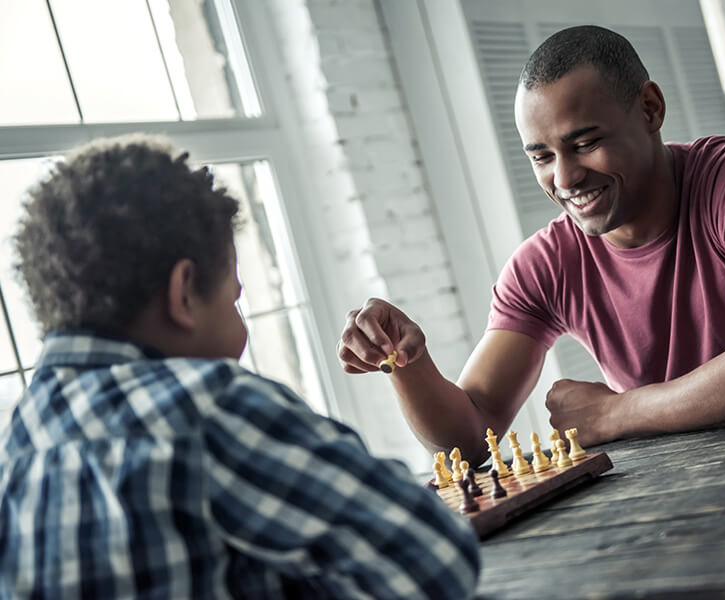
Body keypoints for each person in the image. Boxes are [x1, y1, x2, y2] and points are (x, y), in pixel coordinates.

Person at [337, 25, 725, 466]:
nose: (564, 178)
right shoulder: (544, 265)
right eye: (541, 155)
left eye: (584, 143)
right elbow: (471, 439)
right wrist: (406, 361)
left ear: (650, 109)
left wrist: (614, 414)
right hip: (689, 497)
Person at [0, 135, 480, 599]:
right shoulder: (205, 406)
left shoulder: (19, 445)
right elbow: (437, 560)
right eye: (234, 299)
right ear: (183, 293)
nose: (242, 328)